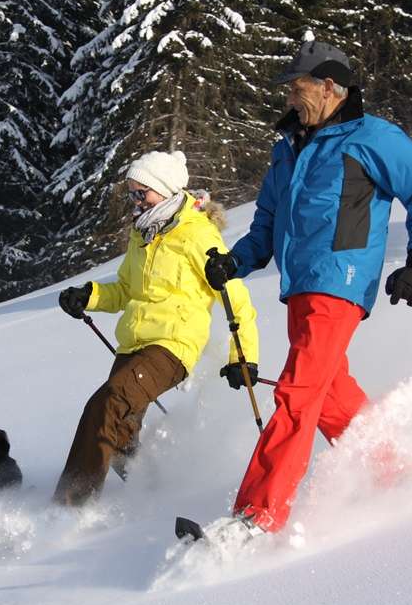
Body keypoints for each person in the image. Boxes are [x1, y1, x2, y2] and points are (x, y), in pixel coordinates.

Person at [204, 40, 412, 535]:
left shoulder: (372, 137)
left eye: (298, 89)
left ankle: (257, 516)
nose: (291, 99)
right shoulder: (288, 148)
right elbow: (267, 219)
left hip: (341, 279)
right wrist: (236, 261)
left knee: (297, 393)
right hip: (299, 286)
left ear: (330, 86)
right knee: (331, 397)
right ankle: (397, 476)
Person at [53, 150, 260, 507]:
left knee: (104, 406)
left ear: (164, 189)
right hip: (133, 344)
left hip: (172, 345)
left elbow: (235, 298)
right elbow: (125, 290)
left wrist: (243, 357)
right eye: (132, 193)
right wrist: (88, 296)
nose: (136, 200)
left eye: (142, 192)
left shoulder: (197, 234)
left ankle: (69, 508)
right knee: (121, 432)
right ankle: (150, 490)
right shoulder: (143, 235)